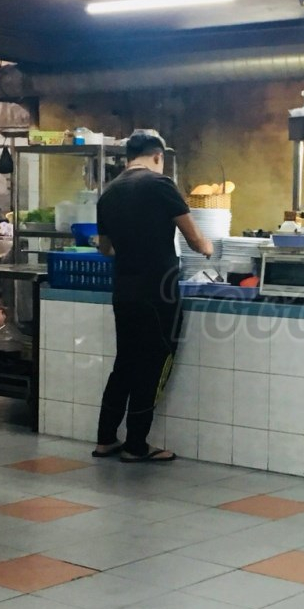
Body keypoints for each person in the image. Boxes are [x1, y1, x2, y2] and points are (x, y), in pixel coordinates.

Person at [93, 131, 211, 462]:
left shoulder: (109, 192)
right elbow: (195, 240)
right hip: (158, 292)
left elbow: (105, 248)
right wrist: (209, 248)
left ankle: (105, 439)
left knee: (125, 363)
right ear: (158, 156)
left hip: (124, 291)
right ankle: (136, 445)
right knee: (153, 365)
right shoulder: (160, 185)